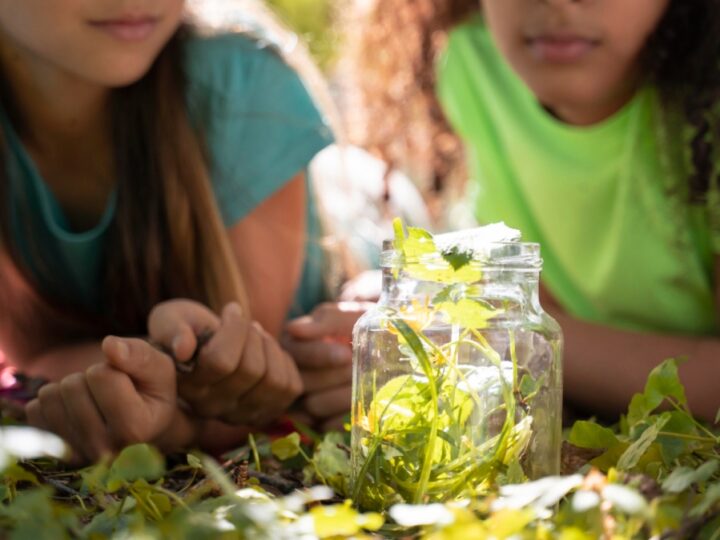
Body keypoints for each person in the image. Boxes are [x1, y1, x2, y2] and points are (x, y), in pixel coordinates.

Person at [293, 0, 720, 421]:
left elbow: (534, 337)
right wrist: (418, 325)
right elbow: (547, 316)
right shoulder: (481, 64)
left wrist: (481, 332)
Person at [0, 0, 343, 462]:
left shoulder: (242, 82)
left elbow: (240, 400)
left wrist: (169, 403)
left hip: (351, 236)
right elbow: (36, 360)